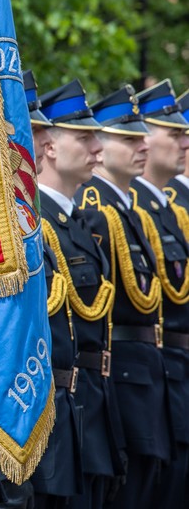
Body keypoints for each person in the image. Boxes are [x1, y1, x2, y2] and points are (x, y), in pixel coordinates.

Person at [77, 84, 171, 509]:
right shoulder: (95, 210)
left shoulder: (132, 212)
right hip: (122, 377)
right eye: (128, 138)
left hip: (149, 377)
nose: (143, 145)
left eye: (141, 137)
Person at [34, 77, 113, 509]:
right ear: (49, 147)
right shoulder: (35, 224)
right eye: (85, 138)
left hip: (92, 405)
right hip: (54, 409)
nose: (97, 149)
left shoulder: (78, 222)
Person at [130, 80, 189, 509]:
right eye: (174, 133)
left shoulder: (167, 210)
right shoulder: (123, 212)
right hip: (150, 371)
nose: (184, 141)